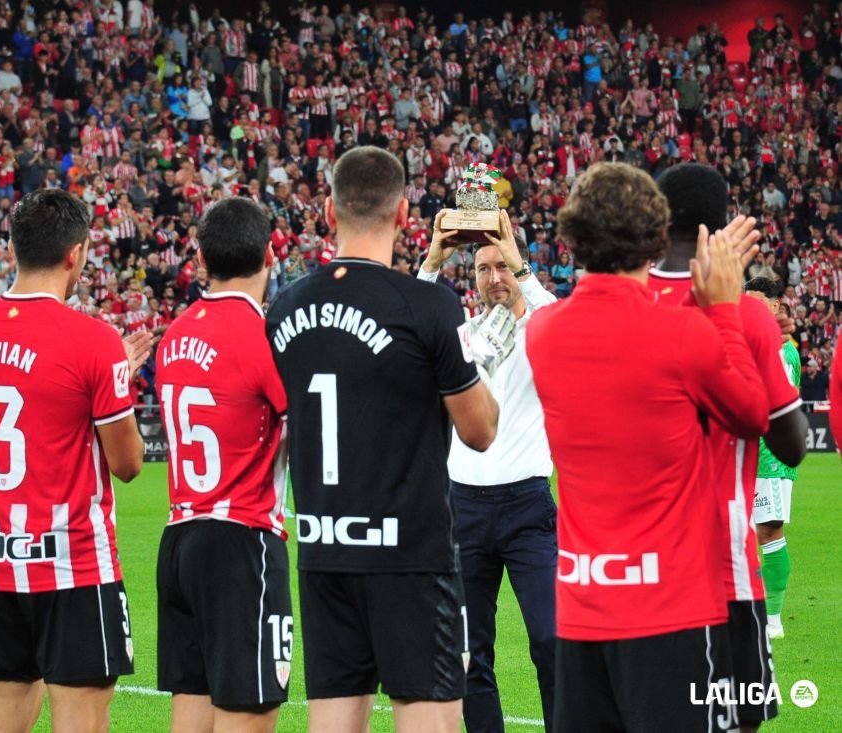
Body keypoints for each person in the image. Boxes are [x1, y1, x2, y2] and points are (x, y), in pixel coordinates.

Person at [266, 147, 507, 733]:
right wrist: (482, 362)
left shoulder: (285, 306)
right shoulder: (428, 306)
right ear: (404, 213)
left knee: (333, 722)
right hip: (411, 558)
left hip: (323, 551)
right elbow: (480, 432)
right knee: (429, 720)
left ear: (328, 210)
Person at [525, 162, 770, 732]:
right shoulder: (684, 336)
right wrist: (724, 311)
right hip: (670, 610)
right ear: (658, 239)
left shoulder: (543, 333)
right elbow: (752, 413)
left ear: (571, 239)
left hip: (584, 602)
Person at [0, 189, 150, 733]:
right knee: (83, 721)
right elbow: (129, 462)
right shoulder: (94, 340)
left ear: (13, 247)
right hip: (75, 567)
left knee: (4, 722)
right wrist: (113, 387)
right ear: (76, 254)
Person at [650, 163, 807, 732]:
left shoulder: (626, 303)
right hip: (722, 571)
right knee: (736, 722)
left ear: (657, 217)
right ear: (719, 229)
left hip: (632, 571)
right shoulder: (746, 314)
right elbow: (792, 445)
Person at [155, 197, 292, 733]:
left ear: (202, 258)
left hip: (180, 538)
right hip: (243, 540)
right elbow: (304, 424)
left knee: (191, 709)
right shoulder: (265, 335)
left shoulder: (175, 335)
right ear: (270, 253)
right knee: (248, 711)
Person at [417, 213, 558, 733]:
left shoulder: (544, 329)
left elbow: (558, 319)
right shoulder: (461, 335)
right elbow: (409, 323)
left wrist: (523, 273)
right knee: (470, 653)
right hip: (464, 510)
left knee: (551, 639)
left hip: (527, 507)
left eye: (502, 266)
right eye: (482, 268)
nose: (493, 277)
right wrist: (433, 260)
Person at [744, 278, 800, 640]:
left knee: (769, 531)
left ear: (777, 305)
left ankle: (774, 620)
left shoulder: (782, 349)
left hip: (770, 457)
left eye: (758, 301)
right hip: (744, 454)